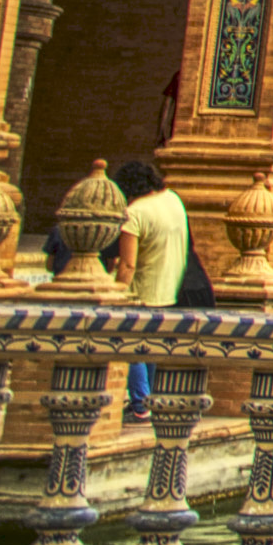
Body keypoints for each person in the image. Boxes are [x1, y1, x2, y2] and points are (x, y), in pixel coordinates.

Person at [113, 153, 189, 420]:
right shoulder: (173, 199)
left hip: (142, 291)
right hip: (171, 288)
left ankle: (140, 404)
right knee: (153, 348)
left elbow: (128, 264)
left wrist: (116, 293)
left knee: (133, 348)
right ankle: (150, 399)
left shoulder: (134, 213)